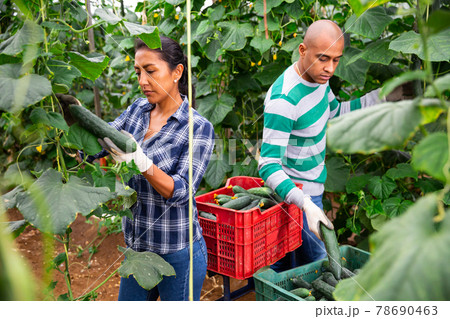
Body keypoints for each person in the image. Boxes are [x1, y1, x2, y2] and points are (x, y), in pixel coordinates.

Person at [57, 36, 215, 300]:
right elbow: (99, 145)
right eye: (138, 72)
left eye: (150, 71)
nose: (142, 81)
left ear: (177, 72)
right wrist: (73, 123)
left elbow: (181, 191)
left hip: (177, 252)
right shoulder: (138, 110)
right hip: (137, 249)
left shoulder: (198, 127)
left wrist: (141, 162)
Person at [258, 20, 408, 271]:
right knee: (325, 267)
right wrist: (305, 204)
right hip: (293, 197)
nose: (330, 68)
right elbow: (268, 165)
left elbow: (335, 112)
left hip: (311, 191)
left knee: (291, 268)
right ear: (303, 51)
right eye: (323, 58)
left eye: (336, 60)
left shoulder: (318, 78)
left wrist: (380, 97)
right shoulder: (284, 100)